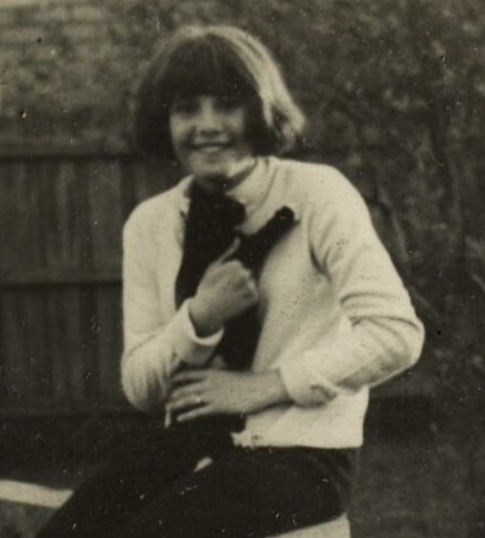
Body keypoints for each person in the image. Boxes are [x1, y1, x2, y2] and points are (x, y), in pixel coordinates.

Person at [38, 24, 424, 538]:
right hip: (192, 446)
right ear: (164, 121)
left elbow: (396, 334)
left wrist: (264, 387)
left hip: (303, 456)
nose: (207, 126)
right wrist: (197, 317)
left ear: (261, 111)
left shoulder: (319, 195)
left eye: (227, 105)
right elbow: (141, 389)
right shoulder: (151, 223)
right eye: (186, 109)